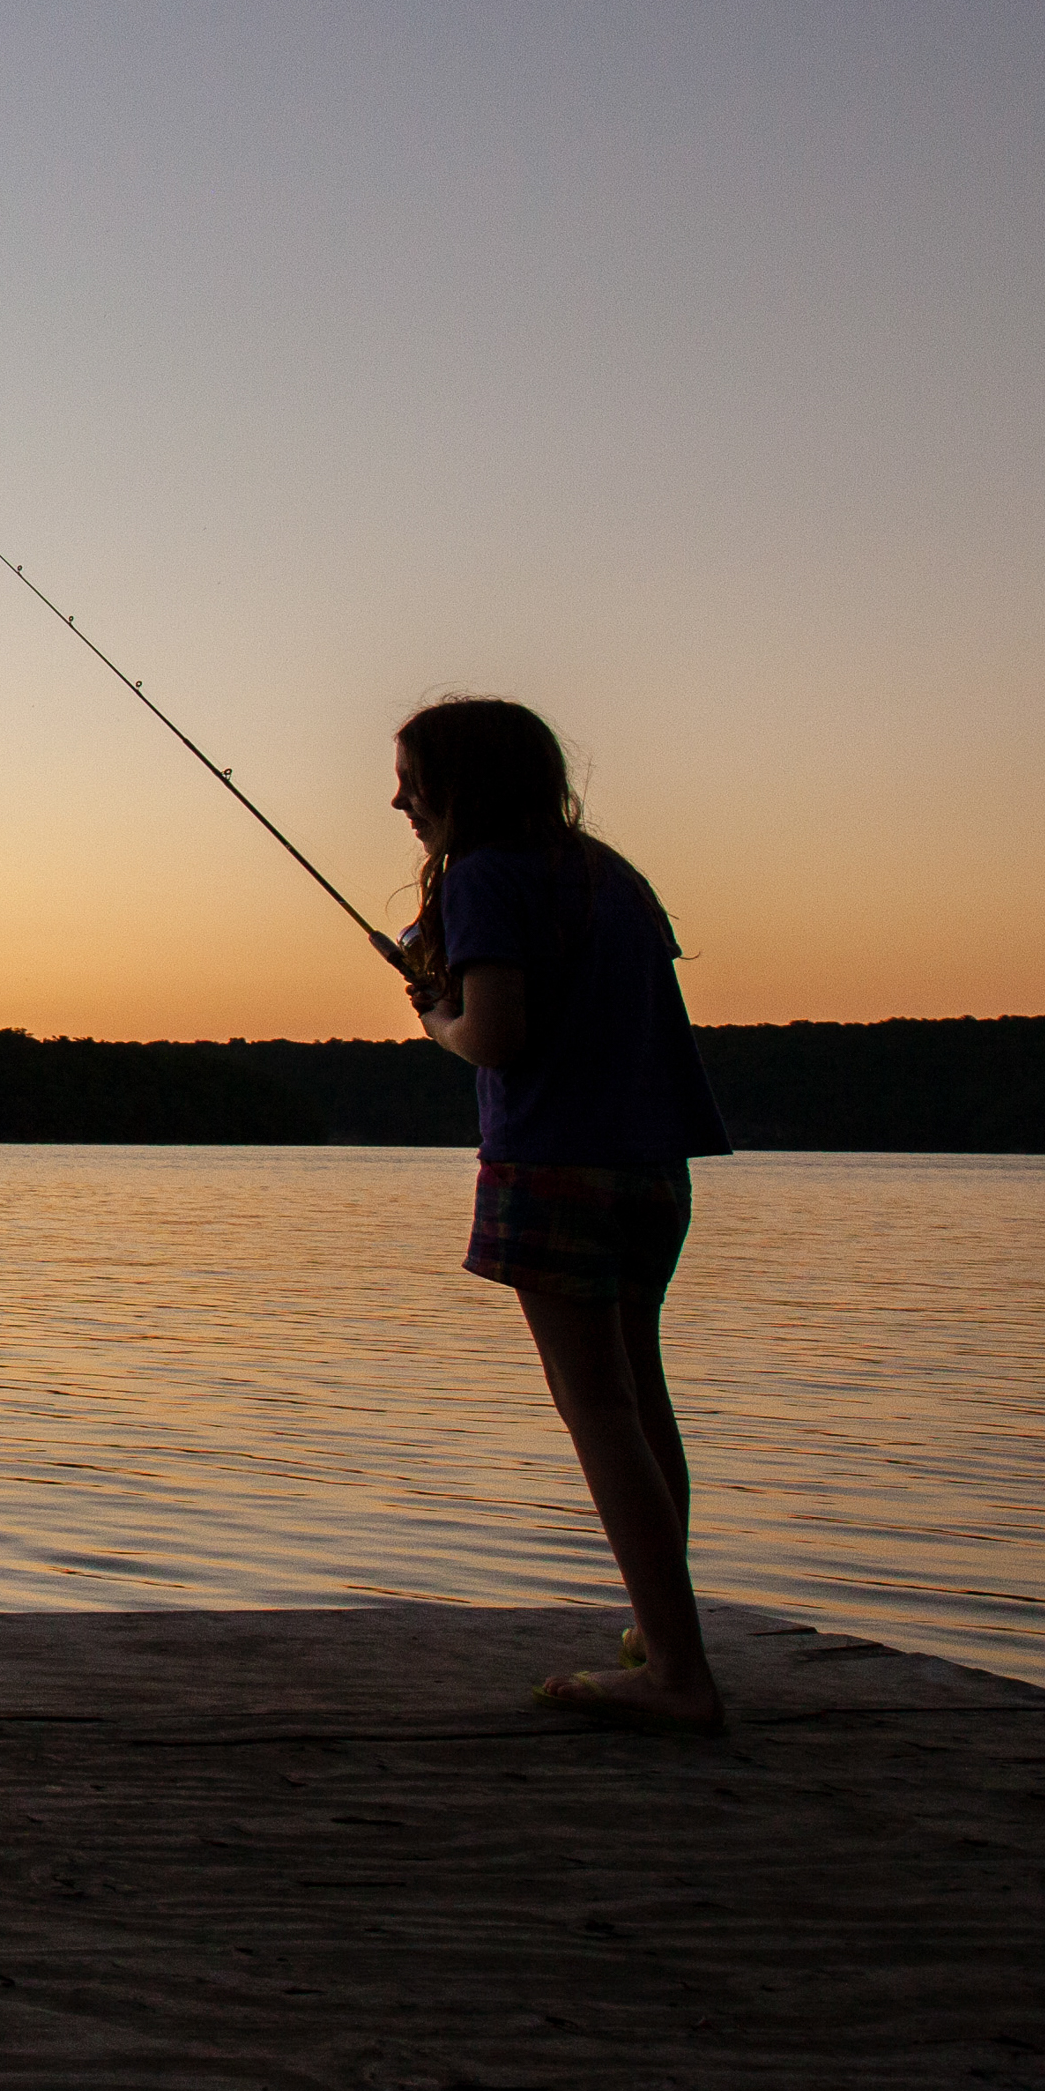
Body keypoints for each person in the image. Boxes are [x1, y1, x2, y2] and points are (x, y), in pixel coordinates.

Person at [392, 695, 734, 1737]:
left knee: (599, 1409)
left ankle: (677, 1672)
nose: (398, 798)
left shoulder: (489, 875)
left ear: (463, 784)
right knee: (640, 1397)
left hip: (556, 1169)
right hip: (653, 1170)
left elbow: (495, 1036)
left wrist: (434, 1014)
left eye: (412, 778)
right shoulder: (608, 875)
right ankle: (663, 1628)